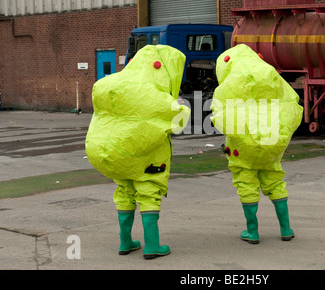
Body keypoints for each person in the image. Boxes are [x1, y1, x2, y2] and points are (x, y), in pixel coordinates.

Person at [85, 45, 190, 259]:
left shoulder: (107, 83)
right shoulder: (156, 95)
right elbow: (179, 123)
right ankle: (152, 246)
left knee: (124, 192)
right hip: (146, 158)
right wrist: (181, 104)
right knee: (148, 194)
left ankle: (126, 242)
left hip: (114, 151)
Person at [211, 44, 303, 244]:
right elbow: (293, 104)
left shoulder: (231, 82)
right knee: (275, 181)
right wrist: (283, 133)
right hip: (273, 143)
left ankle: (252, 231)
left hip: (243, 147)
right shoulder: (272, 75)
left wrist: (237, 133)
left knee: (247, 183)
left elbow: (220, 114)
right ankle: (286, 228)